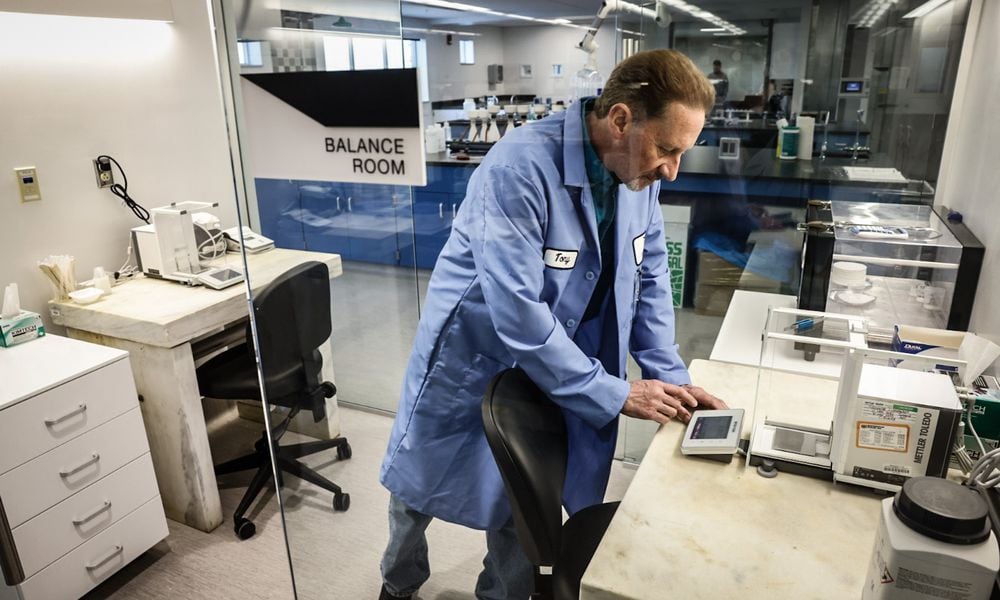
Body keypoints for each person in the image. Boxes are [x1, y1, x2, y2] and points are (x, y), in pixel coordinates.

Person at [378, 49, 727, 600]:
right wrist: (610, 390)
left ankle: (499, 594)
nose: (671, 170)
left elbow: (650, 276)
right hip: (476, 349)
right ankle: (398, 584)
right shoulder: (520, 167)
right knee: (417, 490)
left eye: (681, 153)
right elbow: (516, 311)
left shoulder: (640, 174)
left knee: (526, 498)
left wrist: (671, 377)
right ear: (620, 119)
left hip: (563, 352)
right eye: (666, 149)